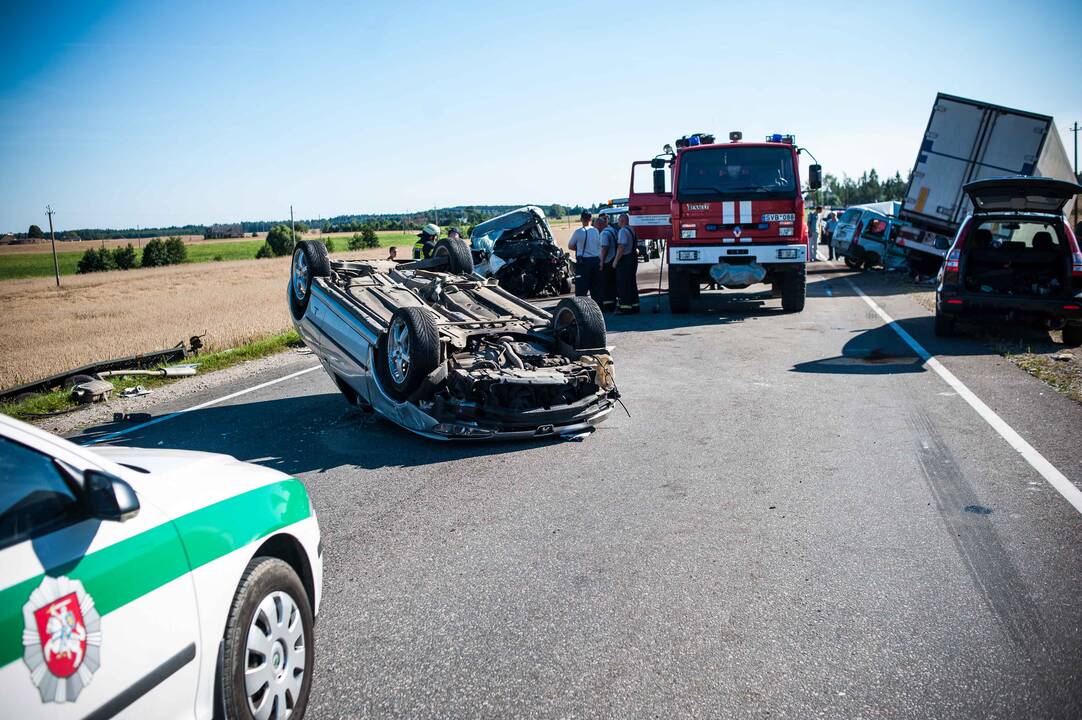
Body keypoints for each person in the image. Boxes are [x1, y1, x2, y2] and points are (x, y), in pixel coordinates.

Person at [567, 211, 602, 302]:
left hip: (584, 262)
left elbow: (570, 246)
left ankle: (582, 307)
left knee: (581, 288)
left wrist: (579, 249)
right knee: (595, 287)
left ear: (581, 219)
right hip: (596, 261)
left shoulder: (579, 232)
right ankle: (598, 307)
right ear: (590, 219)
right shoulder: (596, 231)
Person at [613, 213, 639, 314]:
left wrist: (615, 261)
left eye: (619, 220)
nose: (617, 222)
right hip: (633, 259)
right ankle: (635, 306)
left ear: (622, 221)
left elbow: (621, 247)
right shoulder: (631, 229)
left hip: (625, 261)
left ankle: (625, 308)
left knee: (623, 285)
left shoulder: (622, 231)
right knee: (632, 284)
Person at [596, 214, 619, 312]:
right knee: (613, 284)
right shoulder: (612, 230)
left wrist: (601, 262)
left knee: (606, 285)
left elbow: (604, 248)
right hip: (613, 260)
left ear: (600, 225)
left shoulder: (604, 234)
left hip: (607, 262)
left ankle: (608, 307)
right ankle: (613, 303)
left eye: (596, 226)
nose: (596, 228)